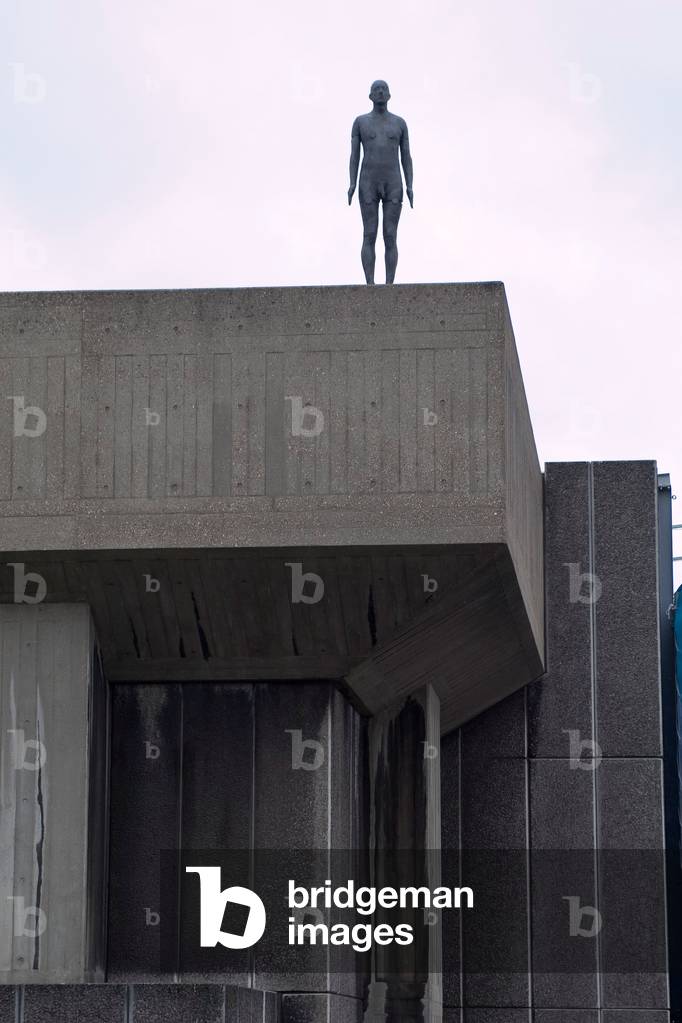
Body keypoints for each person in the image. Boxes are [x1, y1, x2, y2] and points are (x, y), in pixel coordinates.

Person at [348, 80, 414, 285]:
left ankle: (389, 285)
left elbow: (406, 156)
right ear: (370, 96)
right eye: (376, 89)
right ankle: (370, 284)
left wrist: (410, 185)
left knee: (390, 235)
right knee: (369, 233)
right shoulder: (361, 122)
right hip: (368, 181)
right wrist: (352, 183)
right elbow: (354, 155)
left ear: (389, 95)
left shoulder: (399, 123)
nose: (380, 92)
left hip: (393, 181)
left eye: (383, 89)